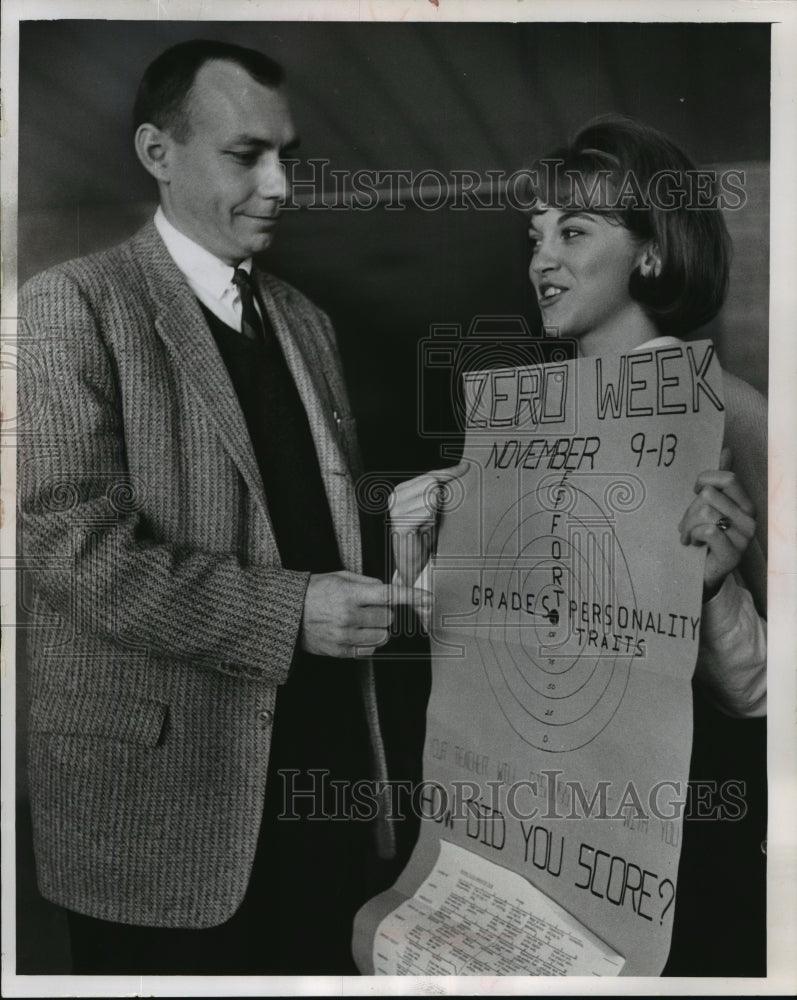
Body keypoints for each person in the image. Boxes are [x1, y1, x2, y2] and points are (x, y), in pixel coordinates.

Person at [18, 38, 428, 976]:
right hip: (156, 817)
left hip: (319, 786)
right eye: (247, 156)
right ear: (157, 153)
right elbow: (70, 546)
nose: (282, 184)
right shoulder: (68, 307)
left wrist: (399, 527)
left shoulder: (306, 323)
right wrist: (291, 613)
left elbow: (302, 523)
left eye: (287, 154)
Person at [390, 116, 767, 975]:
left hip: (680, 852)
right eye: (534, 236)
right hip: (527, 842)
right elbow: (475, 646)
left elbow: (765, 693)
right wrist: (413, 552)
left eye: (573, 232)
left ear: (649, 253)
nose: (540, 260)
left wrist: (710, 592)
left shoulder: (734, 414)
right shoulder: (521, 423)